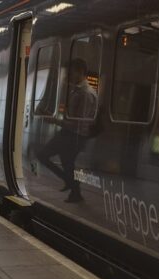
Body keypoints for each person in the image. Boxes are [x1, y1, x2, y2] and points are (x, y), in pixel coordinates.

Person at [37, 58, 97, 203]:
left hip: (73, 136)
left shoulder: (86, 93)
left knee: (43, 155)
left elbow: (78, 123)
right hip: (70, 134)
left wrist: (54, 120)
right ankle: (75, 193)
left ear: (80, 72)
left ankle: (71, 183)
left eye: (72, 72)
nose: (69, 75)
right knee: (68, 163)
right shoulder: (77, 90)